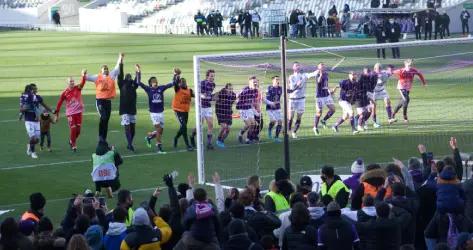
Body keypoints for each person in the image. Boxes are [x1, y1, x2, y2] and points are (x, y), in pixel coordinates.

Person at [84, 53, 122, 142]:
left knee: (106, 120)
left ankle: (103, 138)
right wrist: (83, 74)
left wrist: (120, 57)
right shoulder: (97, 77)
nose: (106, 70)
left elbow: (117, 67)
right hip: (100, 101)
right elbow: (87, 77)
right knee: (104, 117)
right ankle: (100, 136)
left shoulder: (111, 75)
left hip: (108, 102)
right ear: (101, 71)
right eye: (104, 69)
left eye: (106, 69)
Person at [138, 65, 174, 154]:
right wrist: (138, 71)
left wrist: (175, 75)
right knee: (158, 130)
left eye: (156, 81)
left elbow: (172, 84)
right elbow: (138, 82)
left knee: (160, 131)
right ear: (150, 83)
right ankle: (159, 147)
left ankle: (149, 137)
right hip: (153, 113)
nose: (155, 82)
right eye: (153, 81)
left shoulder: (161, 88)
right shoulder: (148, 89)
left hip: (161, 112)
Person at [55, 72, 86, 152]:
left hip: (79, 112)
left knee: (78, 131)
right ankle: (73, 144)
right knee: (73, 128)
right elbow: (59, 102)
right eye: (70, 81)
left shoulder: (77, 88)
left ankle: (71, 141)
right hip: (70, 113)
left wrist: (83, 75)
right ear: (67, 83)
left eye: (73, 81)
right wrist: (57, 113)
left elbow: (83, 83)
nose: (72, 82)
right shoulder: (65, 93)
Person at [20, 83, 53, 159]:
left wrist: (52, 111)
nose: (36, 90)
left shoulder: (38, 97)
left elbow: (44, 105)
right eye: (34, 89)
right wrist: (27, 108)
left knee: (37, 140)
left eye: (36, 88)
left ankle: (29, 145)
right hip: (29, 120)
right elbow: (21, 109)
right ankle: (33, 152)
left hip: (37, 121)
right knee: (33, 138)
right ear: (30, 90)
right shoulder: (25, 98)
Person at [287, 62, 317, 138]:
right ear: (293, 68)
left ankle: (294, 132)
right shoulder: (291, 77)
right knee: (290, 117)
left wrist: (318, 70)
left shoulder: (304, 75)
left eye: (298, 65)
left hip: (301, 99)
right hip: (292, 99)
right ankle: (288, 131)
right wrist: (298, 84)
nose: (297, 67)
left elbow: (312, 74)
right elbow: (292, 88)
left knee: (299, 117)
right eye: (296, 66)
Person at [391, 59, 427, 123]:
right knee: (406, 99)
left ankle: (392, 115)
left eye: (410, 65)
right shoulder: (401, 70)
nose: (409, 67)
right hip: (401, 87)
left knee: (402, 103)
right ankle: (405, 117)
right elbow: (392, 72)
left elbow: (420, 74)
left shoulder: (413, 70)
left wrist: (424, 83)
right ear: (405, 65)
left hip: (407, 88)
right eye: (408, 65)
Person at [191, 69, 216, 149]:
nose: (213, 77)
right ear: (207, 76)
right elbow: (196, 93)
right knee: (199, 125)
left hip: (208, 106)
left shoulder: (213, 85)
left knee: (210, 124)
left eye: (213, 76)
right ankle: (192, 136)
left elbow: (209, 95)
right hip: (200, 106)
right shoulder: (202, 83)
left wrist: (213, 97)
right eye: (211, 76)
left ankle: (209, 143)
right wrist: (202, 96)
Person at [171, 69, 195, 151]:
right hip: (178, 110)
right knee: (184, 126)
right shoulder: (177, 89)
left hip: (185, 111)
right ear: (179, 83)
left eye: (184, 82)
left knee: (183, 127)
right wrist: (176, 75)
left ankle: (176, 138)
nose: (183, 83)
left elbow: (195, 95)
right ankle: (188, 145)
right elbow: (174, 82)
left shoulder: (189, 91)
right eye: (181, 82)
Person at [118, 61, 139, 152]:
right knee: (127, 127)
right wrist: (121, 64)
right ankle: (130, 144)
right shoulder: (121, 84)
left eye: (130, 77)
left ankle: (129, 143)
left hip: (132, 109)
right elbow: (120, 74)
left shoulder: (134, 85)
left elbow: (137, 80)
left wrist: (138, 71)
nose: (129, 78)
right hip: (124, 110)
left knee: (133, 129)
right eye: (128, 77)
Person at [313, 63, 336, 136]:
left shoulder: (326, 74)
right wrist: (320, 74)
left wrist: (329, 91)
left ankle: (324, 120)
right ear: (318, 68)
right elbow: (319, 82)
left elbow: (326, 84)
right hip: (319, 96)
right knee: (319, 112)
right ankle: (315, 127)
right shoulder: (317, 75)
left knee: (333, 109)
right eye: (320, 67)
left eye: (323, 67)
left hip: (326, 95)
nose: (322, 68)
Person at [236, 76, 259, 144]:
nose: (255, 83)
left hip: (248, 108)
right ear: (250, 83)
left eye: (256, 82)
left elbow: (252, 101)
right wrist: (237, 97)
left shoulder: (255, 91)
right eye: (253, 82)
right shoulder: (245, 90)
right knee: (249, 124)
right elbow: (237, 96)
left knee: (253, 124)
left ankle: (248, 139)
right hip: (242, 109)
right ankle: (240, 134)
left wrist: (255, 110)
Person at [215, 83, 236, 148]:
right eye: (229, 89)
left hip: (228, 112)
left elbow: (231, 103)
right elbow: (215, 96)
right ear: (226, 89)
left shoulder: (233, 95)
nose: (230, 90)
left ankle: (222, 140)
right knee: (224, 126)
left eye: (231, 89)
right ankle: (218, 139)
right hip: (220, 112)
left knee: (228, 129)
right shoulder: (221, 93)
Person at [266, 76, 283, 142]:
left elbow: (289, 90)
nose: (277, 81)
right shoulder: (269, 88)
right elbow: (267, 99)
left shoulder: (280, 88)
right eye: (276, 80)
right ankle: (269, 130)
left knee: (280, 122)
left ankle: (276, 137)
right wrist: (272, 103)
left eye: (278, 79)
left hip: (277, 108)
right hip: (270, 108)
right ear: (272, 81)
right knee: (273, 121)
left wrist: (296, 87)